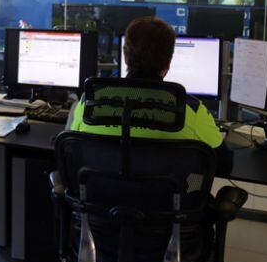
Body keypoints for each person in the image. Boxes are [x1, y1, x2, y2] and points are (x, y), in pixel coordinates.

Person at [67, 16, 233, 176]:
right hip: (167, 203)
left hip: (99, 199)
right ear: (169, 61)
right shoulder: (192, 110)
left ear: (125, 57)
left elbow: (72, 151)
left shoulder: (90, 102)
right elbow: (223, 166)